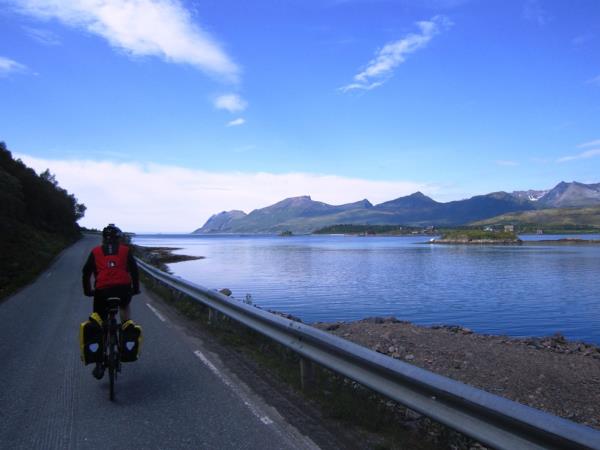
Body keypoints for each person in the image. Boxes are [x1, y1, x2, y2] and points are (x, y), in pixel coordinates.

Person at [82, 223, 140, 379]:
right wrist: (135, 289)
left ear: (103, 239)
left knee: (98, 321)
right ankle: (126, 326)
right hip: (123, 291)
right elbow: (134, 271)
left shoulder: (95, 252)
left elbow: (86, 272)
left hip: (101, 292)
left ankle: (99, 364)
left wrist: (88, 291)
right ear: (118, 239)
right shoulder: (125, 251)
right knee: (124, 306)